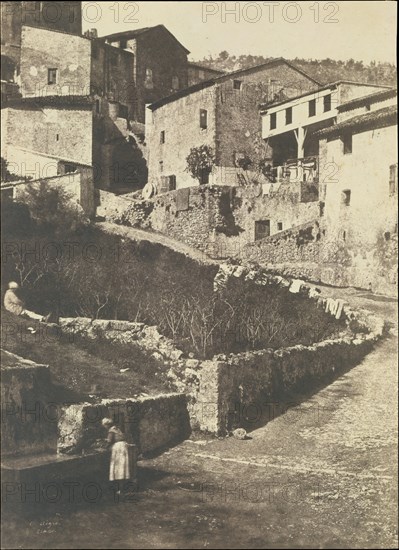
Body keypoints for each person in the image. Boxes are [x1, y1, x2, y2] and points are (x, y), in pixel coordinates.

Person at [102, 418, 131, 486]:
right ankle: (123, 484)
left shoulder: (111, 430)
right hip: (123, 446)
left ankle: (119, 486)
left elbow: (109, 441)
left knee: (119, 466)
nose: (105, 427)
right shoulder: (116, 428)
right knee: (123, 465)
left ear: (107, 425)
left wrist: (104, 447)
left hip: (119, 448)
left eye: (105, 426)